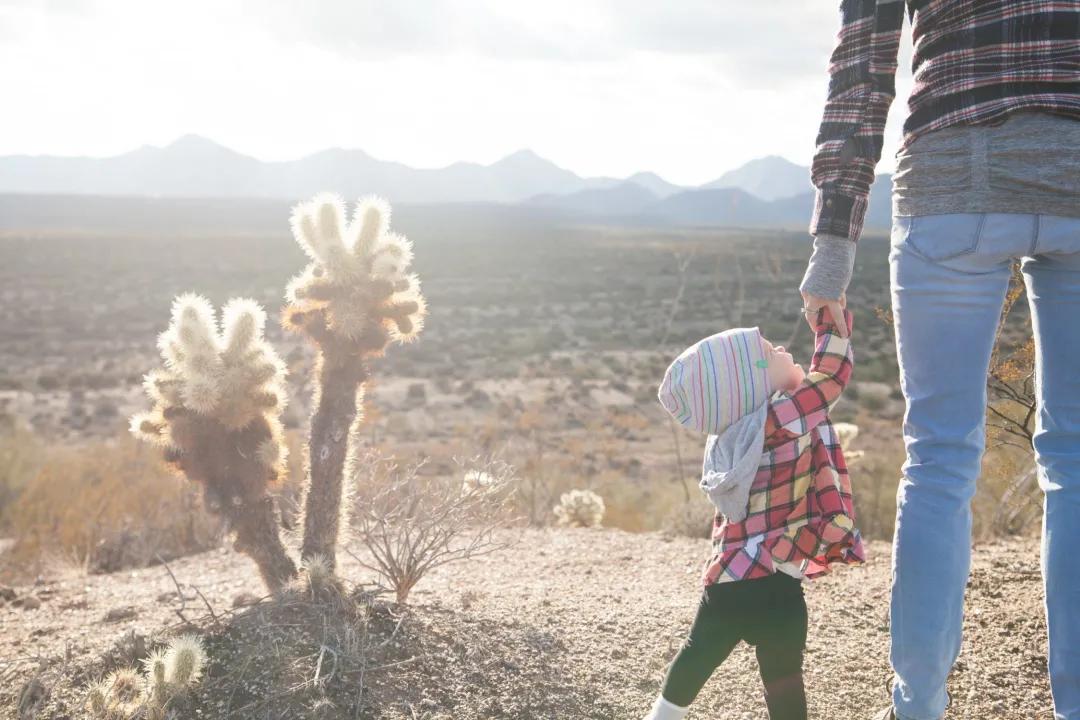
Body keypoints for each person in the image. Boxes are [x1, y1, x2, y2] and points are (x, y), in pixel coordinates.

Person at [797, 2, 1080, 719]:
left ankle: (916, 708)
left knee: (938, 460)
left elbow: (862, 69)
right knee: (1078, 464)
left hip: (952, 177)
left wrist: (832, 250)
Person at [642, 305, 863, 720]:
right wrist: (829, 319)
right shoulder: (780, 418)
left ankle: (662, 717)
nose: (780, 346)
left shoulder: (730, 435)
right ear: (753, 382)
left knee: (697, 656)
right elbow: (831, 375)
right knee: (783, 675)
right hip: (777, 582)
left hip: (729, 580)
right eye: (767, 350)